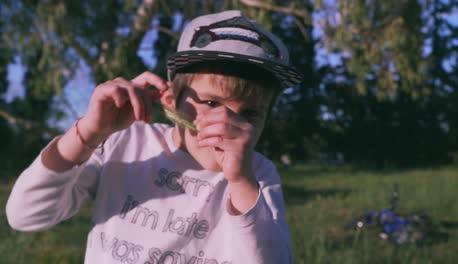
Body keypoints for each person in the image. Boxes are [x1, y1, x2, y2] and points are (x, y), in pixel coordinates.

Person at [6, 10, 302, 264]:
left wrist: (241, 182)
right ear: (171, 100)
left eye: (250, 114)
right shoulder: (125, 143)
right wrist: (87, 133)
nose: (228, 122)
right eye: (212, 103)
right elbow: (25, 215)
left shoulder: (258, 175)